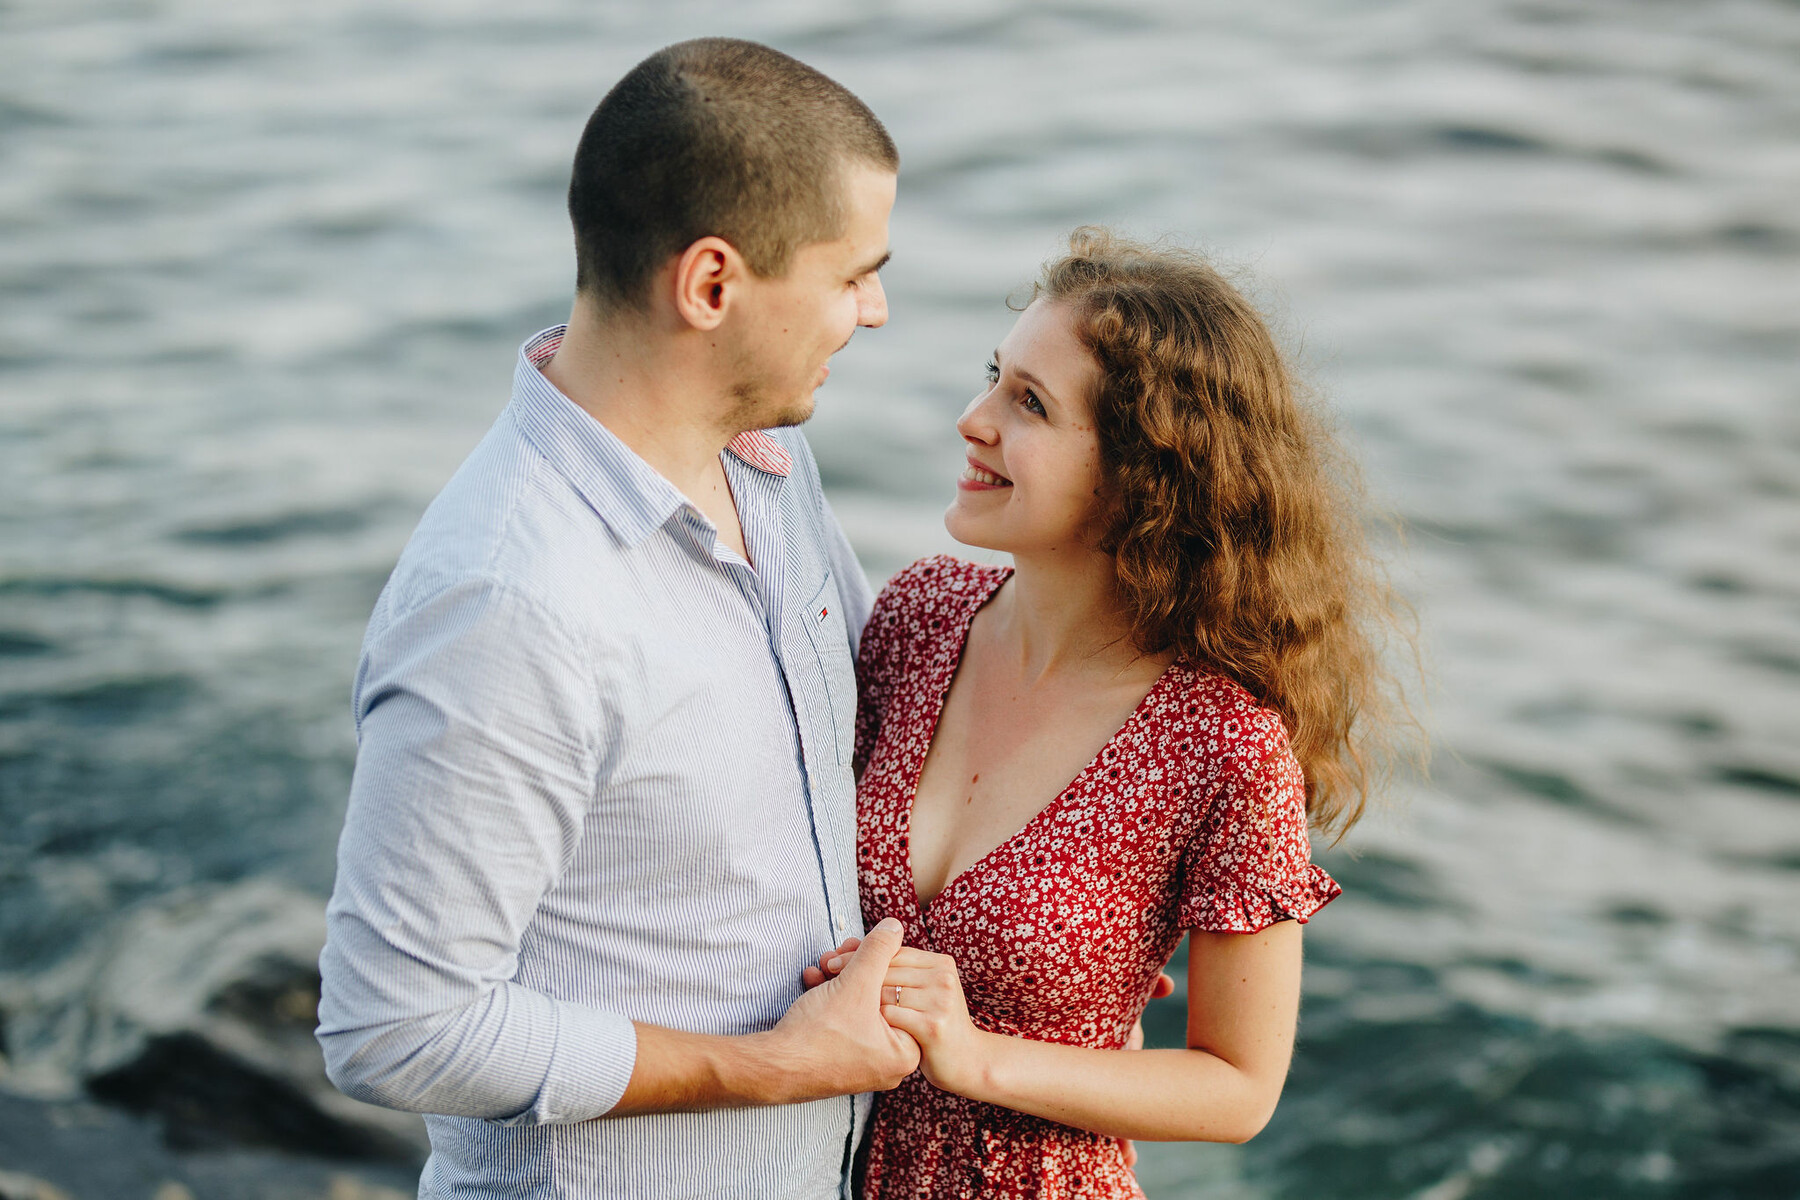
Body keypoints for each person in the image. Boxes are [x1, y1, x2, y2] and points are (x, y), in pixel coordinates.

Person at [316, 39, 919, 1199]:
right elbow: (393, 1026)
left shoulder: (770, 463)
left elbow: (866, 725)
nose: (876, 311)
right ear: (711, 285)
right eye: (854, 275)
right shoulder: (510, 600)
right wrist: (768, 1069)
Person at [808, 228, 1413, 1197]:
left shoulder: (1224, 745)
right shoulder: (920, 619)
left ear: (1143, 475)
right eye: (995, 378)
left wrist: (978, 1055)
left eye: (1030, 404)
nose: (974, 419)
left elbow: (1239, 1087)